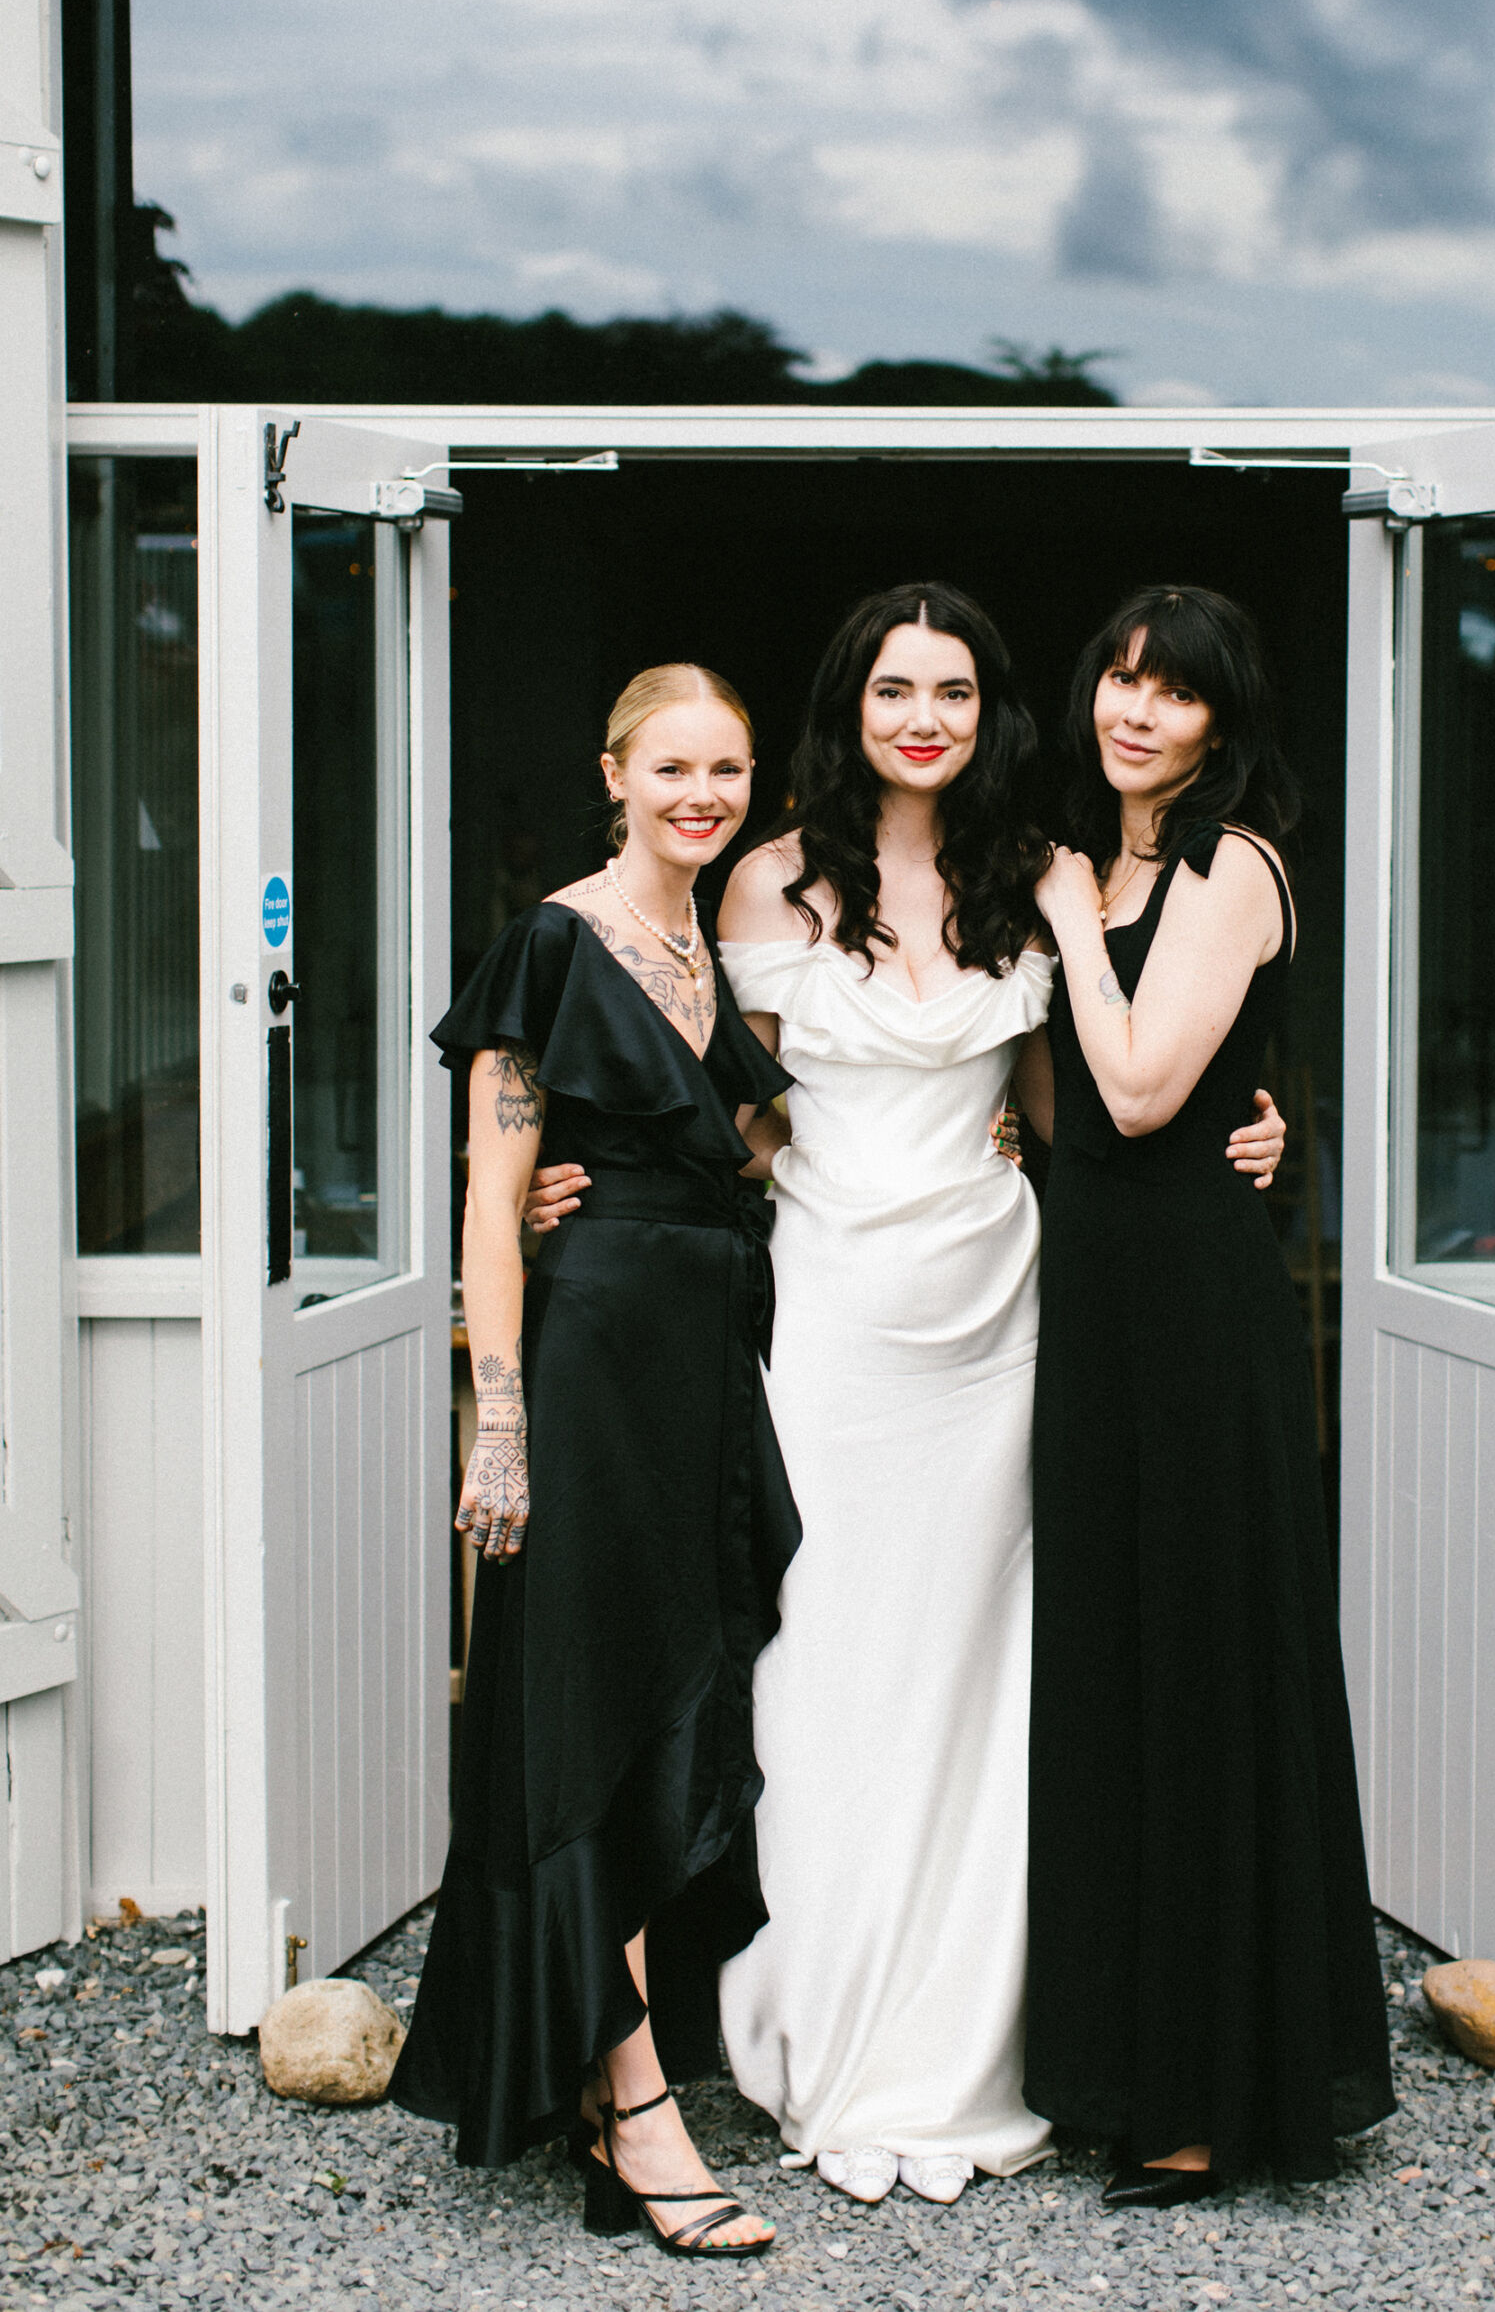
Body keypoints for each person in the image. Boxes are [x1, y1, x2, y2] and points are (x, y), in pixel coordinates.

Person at [527, 584, 1287, 2209]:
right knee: (825, 1669)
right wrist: (552, 1181)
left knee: (983, 1677)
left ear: (991, 707)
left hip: (1000, 1318)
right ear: (851, 708)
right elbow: (701, 1099)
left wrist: (1260, 1125)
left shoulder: (1036, 876)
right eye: (894, 688)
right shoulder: (764, 878)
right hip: (834, 1316)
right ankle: (821, 2028)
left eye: (952, 686)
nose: (924, 714)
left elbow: (1083, 1094)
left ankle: (981, 2040)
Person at [388, 665, 798, 2263]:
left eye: (727, 771)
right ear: (614, 771)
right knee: (582, 1723)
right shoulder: (555, 943)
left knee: (664, 1712)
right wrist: (500, 1417)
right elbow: (493, 1202)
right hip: (593, 1368)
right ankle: (633, 2109)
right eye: (672, 768)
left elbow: (742, 1142)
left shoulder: (709, 947)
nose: (701, 795)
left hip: (704, 1369)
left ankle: (602, 2065)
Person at [1024, 585, 1395, 2205]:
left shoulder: (1229, 867)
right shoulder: (1092, 869)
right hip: (1094, 1302)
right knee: (1110, 1672)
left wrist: (1053, 913)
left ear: (1221, 725)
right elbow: (1055, 1109)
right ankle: (1112, 2062)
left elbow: (1139, 1080)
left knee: (1201, 1674)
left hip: (1192, 1313)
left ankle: (1217, 2091)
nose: (1134, 710)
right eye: (1118, 677)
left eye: (1171, 693)